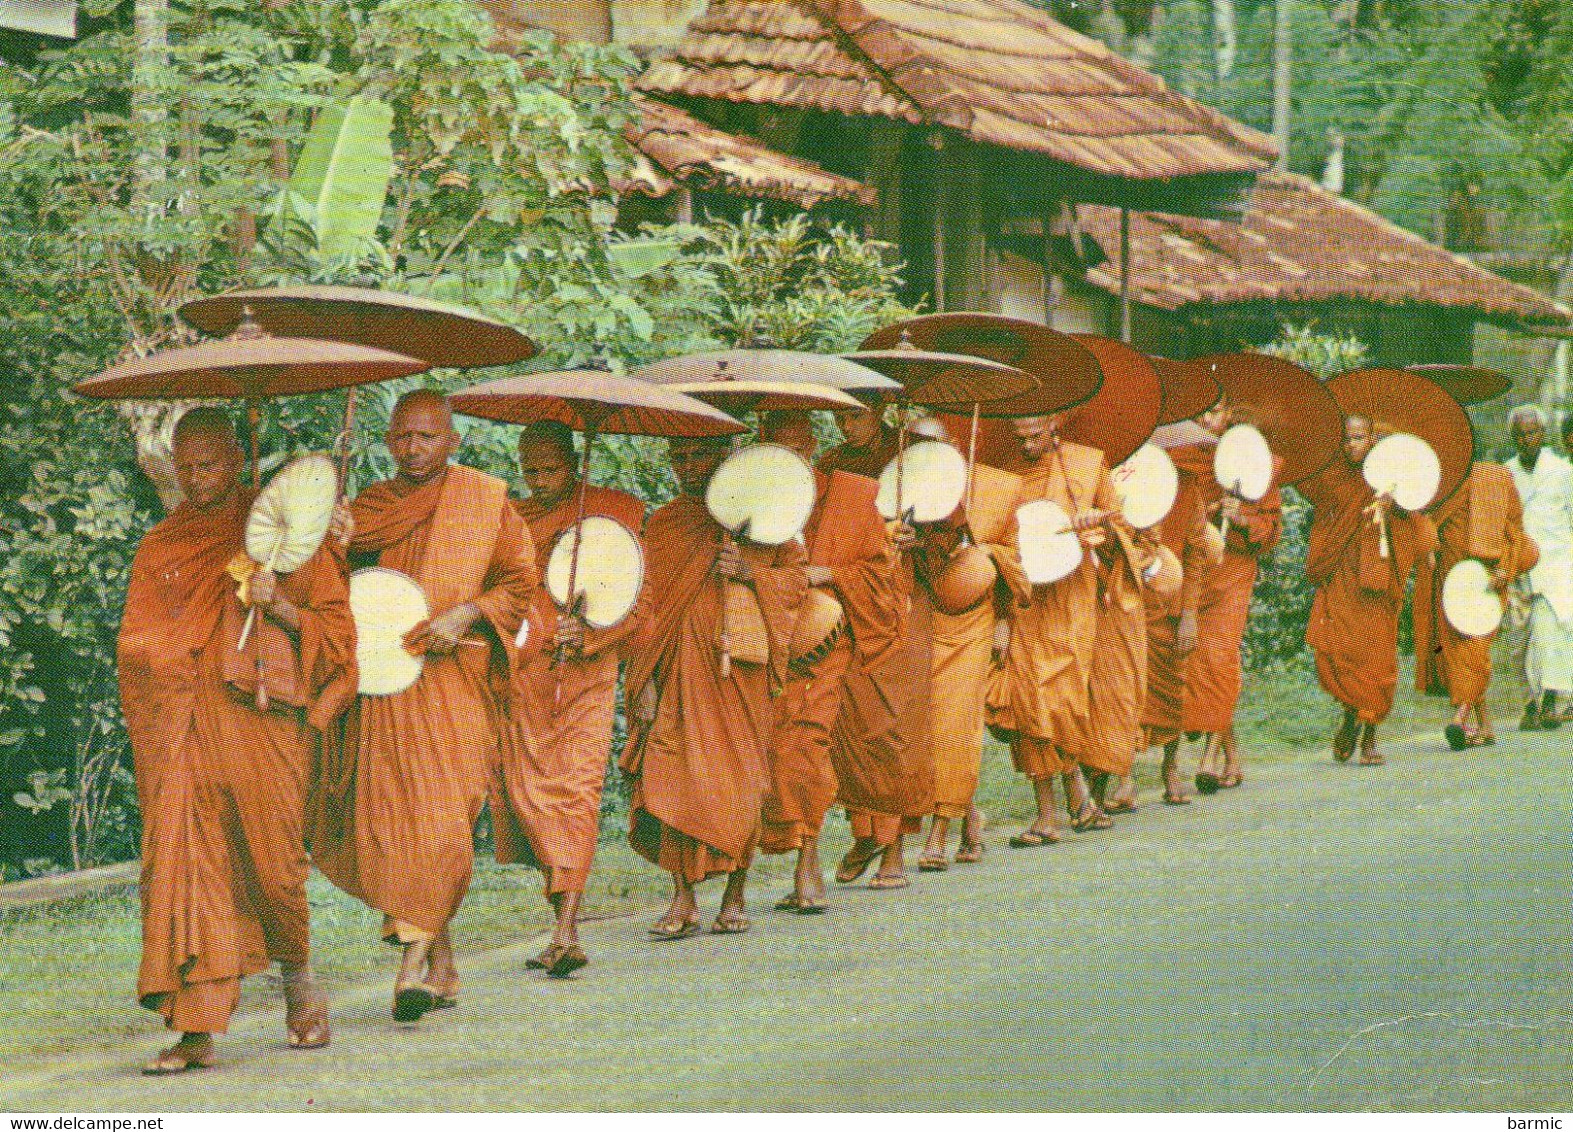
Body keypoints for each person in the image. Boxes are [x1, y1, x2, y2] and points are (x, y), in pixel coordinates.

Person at [118, 408, 355, 1073]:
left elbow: (338, 639)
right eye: (186, 467)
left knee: (274, 865)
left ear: (235, 457)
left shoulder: (287, 535)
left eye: (211, 465)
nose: (197, 481)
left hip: (261, 725)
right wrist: (178, 660)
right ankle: (196, 1028)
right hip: (186, 729)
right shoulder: (164, 542)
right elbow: (136, 644)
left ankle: (298, 976)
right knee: (186, 865)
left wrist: (277, 604)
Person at [312, 390, 535, 1022]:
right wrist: (334, 540)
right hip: (389, 683)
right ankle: (431, 962)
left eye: (428, 437)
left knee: (440, 822)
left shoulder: (485, 501)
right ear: (388, 442)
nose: (415, 449)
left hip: (456, 682)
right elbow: (334, 590)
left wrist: (467, 610)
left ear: (453, 441)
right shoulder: (373, 507)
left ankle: (415, 963)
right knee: (404, 826)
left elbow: (520, 581)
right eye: (404, 438)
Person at [623, 435, 807, 938]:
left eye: (699, 455)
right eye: (678, 457)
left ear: (726, 456)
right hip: (676, 671)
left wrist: (751, 574)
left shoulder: (763, 515)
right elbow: (647, 608)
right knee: (672, 775)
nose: (688, 467)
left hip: (738, 675)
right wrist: (641, 677)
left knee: (739, 780)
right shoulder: (665, 525)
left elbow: (795, 583)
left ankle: (734, 895)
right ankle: (682, 898)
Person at [492, 421, 646, 976]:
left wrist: (592, 633)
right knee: (533, 798)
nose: (539, 481)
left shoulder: (612, 515)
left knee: (575, 793)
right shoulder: (513, 519)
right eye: (529, 470)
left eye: (551, 469)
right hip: (530, 677)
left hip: (587, 679)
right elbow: (507, 591)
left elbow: (634, 598)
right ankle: (558, 916)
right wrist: (542, 626)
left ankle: (568, 930)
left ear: (573, 462)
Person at [755, 411, 901, 911]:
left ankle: (807, 862)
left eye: (797, 450)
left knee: (807, 742)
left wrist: (832, 573)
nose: (789, 460)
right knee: (769, 751)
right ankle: (758, 870)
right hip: (768, 645)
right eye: (777, 451)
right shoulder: (750, 499)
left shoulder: (853, 495)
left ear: (814, 446)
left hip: (826, 643)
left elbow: (882, 575)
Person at [989, 412, 1123, 844]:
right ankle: (1049, 813)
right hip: (1026, 595)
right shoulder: (1006, 475)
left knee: (1061, 698)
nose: (1026, 447)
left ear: (1053, 429)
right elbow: (991, 534)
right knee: (1028, 700)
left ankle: (1078, 797)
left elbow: (1120, 521)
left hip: (1072, 595)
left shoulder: (1088, 463)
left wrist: (1095, 522)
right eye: (1019, 438)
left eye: (1034, 437)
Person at [916, 426, 1027, 870]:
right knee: (929, 725)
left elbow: (1014, 558)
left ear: (957, 447)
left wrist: (1003, 619)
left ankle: (941, 827)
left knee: (957, 720)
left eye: (937, 444)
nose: (928, 452)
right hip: (924, 611)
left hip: (974, 617)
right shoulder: (905, 486)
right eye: (918, 444)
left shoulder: (999, 488)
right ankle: (970, 816)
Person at [1300, 413, 1437, 764]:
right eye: (1346, 439)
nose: (1351, 445)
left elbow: (1417, 527)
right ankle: (1350, 714)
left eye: (1358, 438)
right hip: (1343, 579)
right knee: (1336, 652)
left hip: (1377, 583)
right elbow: (1323, 526)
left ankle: (1370, 736)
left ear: (1372, 441)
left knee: (1376, 658)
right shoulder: (1334, 480)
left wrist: (1393, 508)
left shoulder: (1394, 478)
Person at [1180, 403, 1283, 790]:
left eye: (1216, 411)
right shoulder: (1191, 458)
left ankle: (1209, 756)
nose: (1207, 419)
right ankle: (1233, 756)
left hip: (1234, 572)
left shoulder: (1259, 463)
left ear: (1229, 418)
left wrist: (1241, 518)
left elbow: (1270, 530)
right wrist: (1206, 510)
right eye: (1201, 412)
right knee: (1194, 663)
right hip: (1196, 571)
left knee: (1218, 657)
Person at [1414, 456, 1535, 748]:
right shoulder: (1440, 482)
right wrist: (1427, 546)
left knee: (1475, 648)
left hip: (1488, 578)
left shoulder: (1494, 479)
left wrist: (1506, 566)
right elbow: (1423, 525)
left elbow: (1515, 532)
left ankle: (1461, 715)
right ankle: (1486, 727)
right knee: (1457, 649)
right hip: (1449, 580)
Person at [1131, 437, 1214, 807]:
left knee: (1172, 688)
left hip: (1173, 599)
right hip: (1129, 599)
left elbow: (1196, 554)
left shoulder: (1188, 487)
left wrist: (1190, 614)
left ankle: (1170, 766)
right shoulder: (1123, 478)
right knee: (1126, 687)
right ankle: (1123, 773)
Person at [1505, 406, 1573, 730]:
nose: (1526, 440)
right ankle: (1531, 704)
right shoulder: (1506, 473)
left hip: (1556, 566)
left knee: (1547, 633)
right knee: (1521, 640)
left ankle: (1548, 703)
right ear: (1513, 438)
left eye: (1532, 433)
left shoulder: (1563, 471)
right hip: (1518, 570)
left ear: (1542, 434)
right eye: (1520, 434)